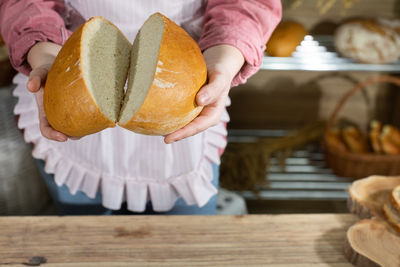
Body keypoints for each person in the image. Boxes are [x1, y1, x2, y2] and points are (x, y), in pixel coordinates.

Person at [0, 0, 281, 215]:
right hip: (67, 72)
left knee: (185, 245)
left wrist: (223, 59)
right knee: (85, 241)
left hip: (187, 86)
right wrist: (44, 54)